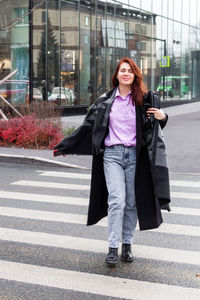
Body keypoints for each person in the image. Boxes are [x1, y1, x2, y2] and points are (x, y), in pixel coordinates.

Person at [53, 57, 170, 266]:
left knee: (132, 202)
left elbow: (155, 127)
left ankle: (127, 245)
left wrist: (163, 116)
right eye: (122, 70)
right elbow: (87, 127)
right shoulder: (105, 100)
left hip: (135, 156)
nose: (126, 73)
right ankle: (113, 247)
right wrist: (67, 146)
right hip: (112, 155)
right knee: (117, 200)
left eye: (130, 71)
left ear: (135, 75)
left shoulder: (144, 99)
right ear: (116, 75)